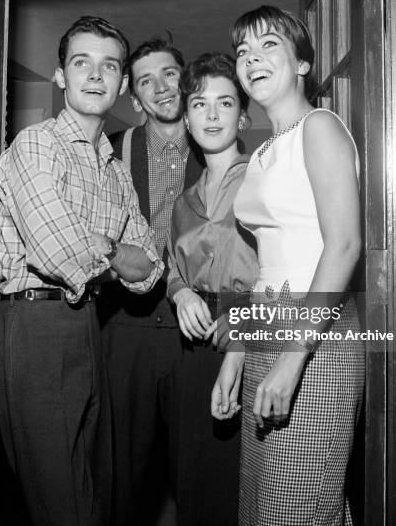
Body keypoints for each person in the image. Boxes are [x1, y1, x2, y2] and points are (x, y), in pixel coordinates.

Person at [0, 16, 164, 526]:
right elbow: (58, 253)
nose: (95, 75)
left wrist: (106, 248)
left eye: (109, 65)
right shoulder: (36, 144)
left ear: (122, 83)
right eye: (81, 63)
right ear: (60, 77)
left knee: (97, 493)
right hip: (36, 326)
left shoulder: (114, 168)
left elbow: (151, 269)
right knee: (61, 501)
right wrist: (116, 255)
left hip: (90, 326)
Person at [212, 5, 365, 525]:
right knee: (265, 505)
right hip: (266, 329)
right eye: (243, 52)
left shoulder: (319, 127)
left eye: (268, 45)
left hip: (316, 337)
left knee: (298, 502)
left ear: (301, 62)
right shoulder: (260, 155)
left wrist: (293, 358)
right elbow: (264, 268)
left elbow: (343, 246)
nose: (252, 58)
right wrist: (236, 352)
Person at [97, 36, 204, 525]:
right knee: (122, 473)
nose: (161, 87)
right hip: (127, 325)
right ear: (134, 98)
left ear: (186, 80)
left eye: (169, 74)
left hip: (198, 328)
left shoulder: (218, 143)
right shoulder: (113, 152)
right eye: (146, 80)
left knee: (198, 466)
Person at [166, 52, 258, 525]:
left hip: (248, 339)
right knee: (194, 479)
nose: (212, 114)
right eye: (199, 104)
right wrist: (180, 293)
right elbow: (172, 264)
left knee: (239, 485)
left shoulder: (266, 178)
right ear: (186, 118)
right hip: (193, 348)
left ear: (243, 115)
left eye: (225, 103)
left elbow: (284, 274)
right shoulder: (183, 202)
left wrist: (241, 334)